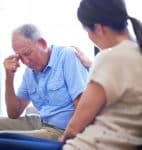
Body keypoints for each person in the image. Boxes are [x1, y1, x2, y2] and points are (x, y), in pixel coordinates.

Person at [61, 0, 142, 149]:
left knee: (3, 141)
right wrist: (92, 65)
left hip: (90, 145)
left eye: (87, 31)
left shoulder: (110, 57)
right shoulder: (136, 52)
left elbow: (75, 127)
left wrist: (61, 142)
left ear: (98, 28)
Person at [0, 24, 89, 140]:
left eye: (27, 53)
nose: (25, 61)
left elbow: (83, 104)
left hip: (61, 130)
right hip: (41, 122)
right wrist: (9, 76)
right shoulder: (29, 71)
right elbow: (14, 113)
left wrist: (69, 135)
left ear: (42, 43)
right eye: (20, 57)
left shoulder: (66, 56)